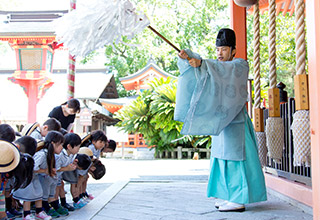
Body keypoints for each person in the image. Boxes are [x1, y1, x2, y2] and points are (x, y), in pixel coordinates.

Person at [176, 28, 267, 212]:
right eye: (218, 49)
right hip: (221, 123)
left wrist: (201, 63)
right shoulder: (215, 67)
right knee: (220, 158)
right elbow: (207, 73)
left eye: (224, 49)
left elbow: (222, 70)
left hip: (236, 123)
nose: (220, 53)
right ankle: (226, 195)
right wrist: (189, 58)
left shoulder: (240, 65)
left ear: (233, 50)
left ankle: (238, 199)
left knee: (235, 159)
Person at [33, 131, 65, 218]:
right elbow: (33, 167)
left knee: (50, 189)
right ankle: (44, 207)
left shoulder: (52, 155)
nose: (62, 147)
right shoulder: (42, 154)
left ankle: (49, 205)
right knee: (44, 192)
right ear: (53, 143)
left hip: (47, 178)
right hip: (39, 179)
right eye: (60, 144)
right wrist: (45, 170)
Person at [53, 133, 81, 212]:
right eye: (77, 147)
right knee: (56, 189)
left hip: (59, 176)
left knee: (61, 186)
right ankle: (55, 205)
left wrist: (74, 163)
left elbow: (69, 163)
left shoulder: (72, 154)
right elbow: (56, 168)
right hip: (53, 175)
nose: (79, 149)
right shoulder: (60, 155)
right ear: (69, 146)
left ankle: (63, 203)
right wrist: (67, 168)